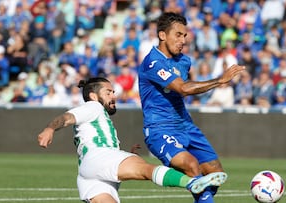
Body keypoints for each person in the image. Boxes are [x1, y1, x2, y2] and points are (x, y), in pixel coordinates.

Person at [37, 77, 228, 203]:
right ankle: (192, 183)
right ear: (94, 96)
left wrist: (126, 153)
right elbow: (67, 117)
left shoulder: (97, 119)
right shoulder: (93, 107)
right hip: (100, 158)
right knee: (145, 169)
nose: (114, 95)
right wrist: (50, 128)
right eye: (109, 92)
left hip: (89, 173)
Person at [138, 12, 245, 203]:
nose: (183, 40)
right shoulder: (153, 62)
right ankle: (171, 175)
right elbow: (183, 89)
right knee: (192, 166)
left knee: (215, 173)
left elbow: (184, 84)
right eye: (178, 35)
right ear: (162, 35)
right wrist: (220, 80)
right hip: (159, 128)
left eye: (185, 36)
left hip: (186, 125)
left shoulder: (184, 61)